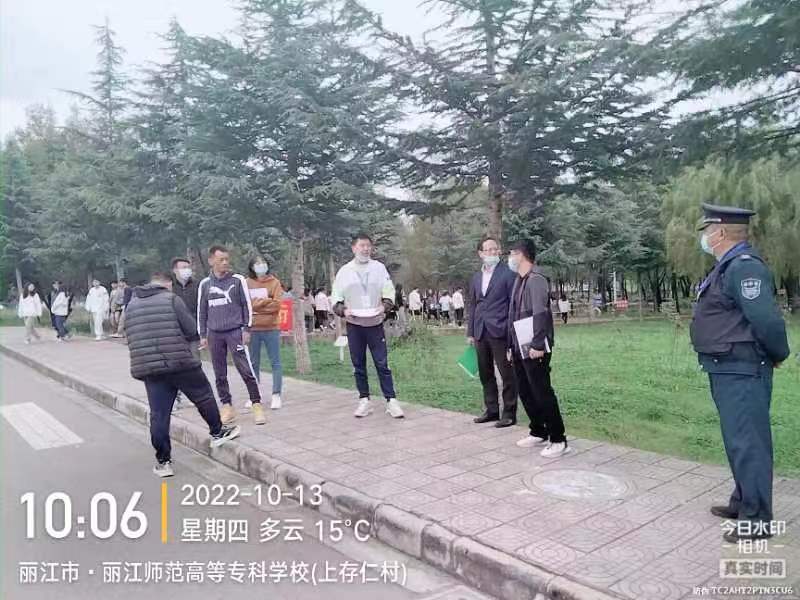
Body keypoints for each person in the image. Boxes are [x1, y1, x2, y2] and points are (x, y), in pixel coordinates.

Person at [690, 203, 790, 543]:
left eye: (707, 230)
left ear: (720, 233)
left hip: (743, 369)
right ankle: (743, 501)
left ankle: (757, 521)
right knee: (738, 441)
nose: (705, 237)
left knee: (749, 443)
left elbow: (766, 319)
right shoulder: (727, 266)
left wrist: (778, 354)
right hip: (727, 367)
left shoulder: (744, 267)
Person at [125, 271, 241, 477]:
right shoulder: (171, 299)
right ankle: (217, 432)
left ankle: (163, 462)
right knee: (203, 395)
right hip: (179, 362)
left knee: (159, 414)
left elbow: (130, 335)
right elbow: (190, 330)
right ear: (167, 283)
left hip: (149, 368)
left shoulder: (132, 305)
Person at [331, 233, 404, 419]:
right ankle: (364, 400)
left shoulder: (379, 268)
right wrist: (343, 310)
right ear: (353, 248)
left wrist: (384, 306)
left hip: (375, 323)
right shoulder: (344, 271)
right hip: (354, 323)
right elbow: (336, 298)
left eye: (368, 246)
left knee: (382, 363)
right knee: (358, 364)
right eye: (361, 245)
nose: (365, 249)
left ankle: (391, 401)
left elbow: (389, 293)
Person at [507, 240, 569, 458]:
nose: (510, 258)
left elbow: (540, 313)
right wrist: (510, 345)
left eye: (512, 254)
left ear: (521, 255)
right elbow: (513, 315)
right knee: (525, 390)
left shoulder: (536, 280)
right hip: (519, 345)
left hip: (535, 346)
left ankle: (558, 439)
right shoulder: (519, 281)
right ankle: (538, 430)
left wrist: (537, 344)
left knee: (542, 391)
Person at [198, 245, 264, 425]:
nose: (225, 262)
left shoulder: (237, 280)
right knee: (219, 372)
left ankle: (256, 404)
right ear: (211, 261)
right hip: (214, 334)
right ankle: (227, 406)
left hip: (235, 331)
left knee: (245, 369)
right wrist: (202, 334)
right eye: (221, 260)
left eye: (227, 259)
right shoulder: (205, 284)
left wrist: (247, 329)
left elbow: (247, 305)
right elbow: (201, 311)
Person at [467, 237, 517, 428]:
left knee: (507, 373)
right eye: (488, 250)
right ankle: (492, 410)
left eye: (495, 249)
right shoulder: (476, 277)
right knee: (485, 372)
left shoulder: (508, 274)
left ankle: (509, 413)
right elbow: (473, 305)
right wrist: (471, 332)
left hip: (500, 330)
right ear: (480, 253)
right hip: (480, 330)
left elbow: (513, 304)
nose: (493, 252)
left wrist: (510, 329)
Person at [246, 255, 285, 410]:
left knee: (275, 362)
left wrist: (257, 305)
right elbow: (246, 304)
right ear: (252, 266)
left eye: (263, 263)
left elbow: (276, 305)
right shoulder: (246, 283)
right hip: (253, 328)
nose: (261, 266)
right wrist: (266, 301)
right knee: (253, 363)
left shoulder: (275, 283)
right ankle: (255, 396)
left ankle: (276, 394)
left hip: (271, 328)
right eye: (257, 263)